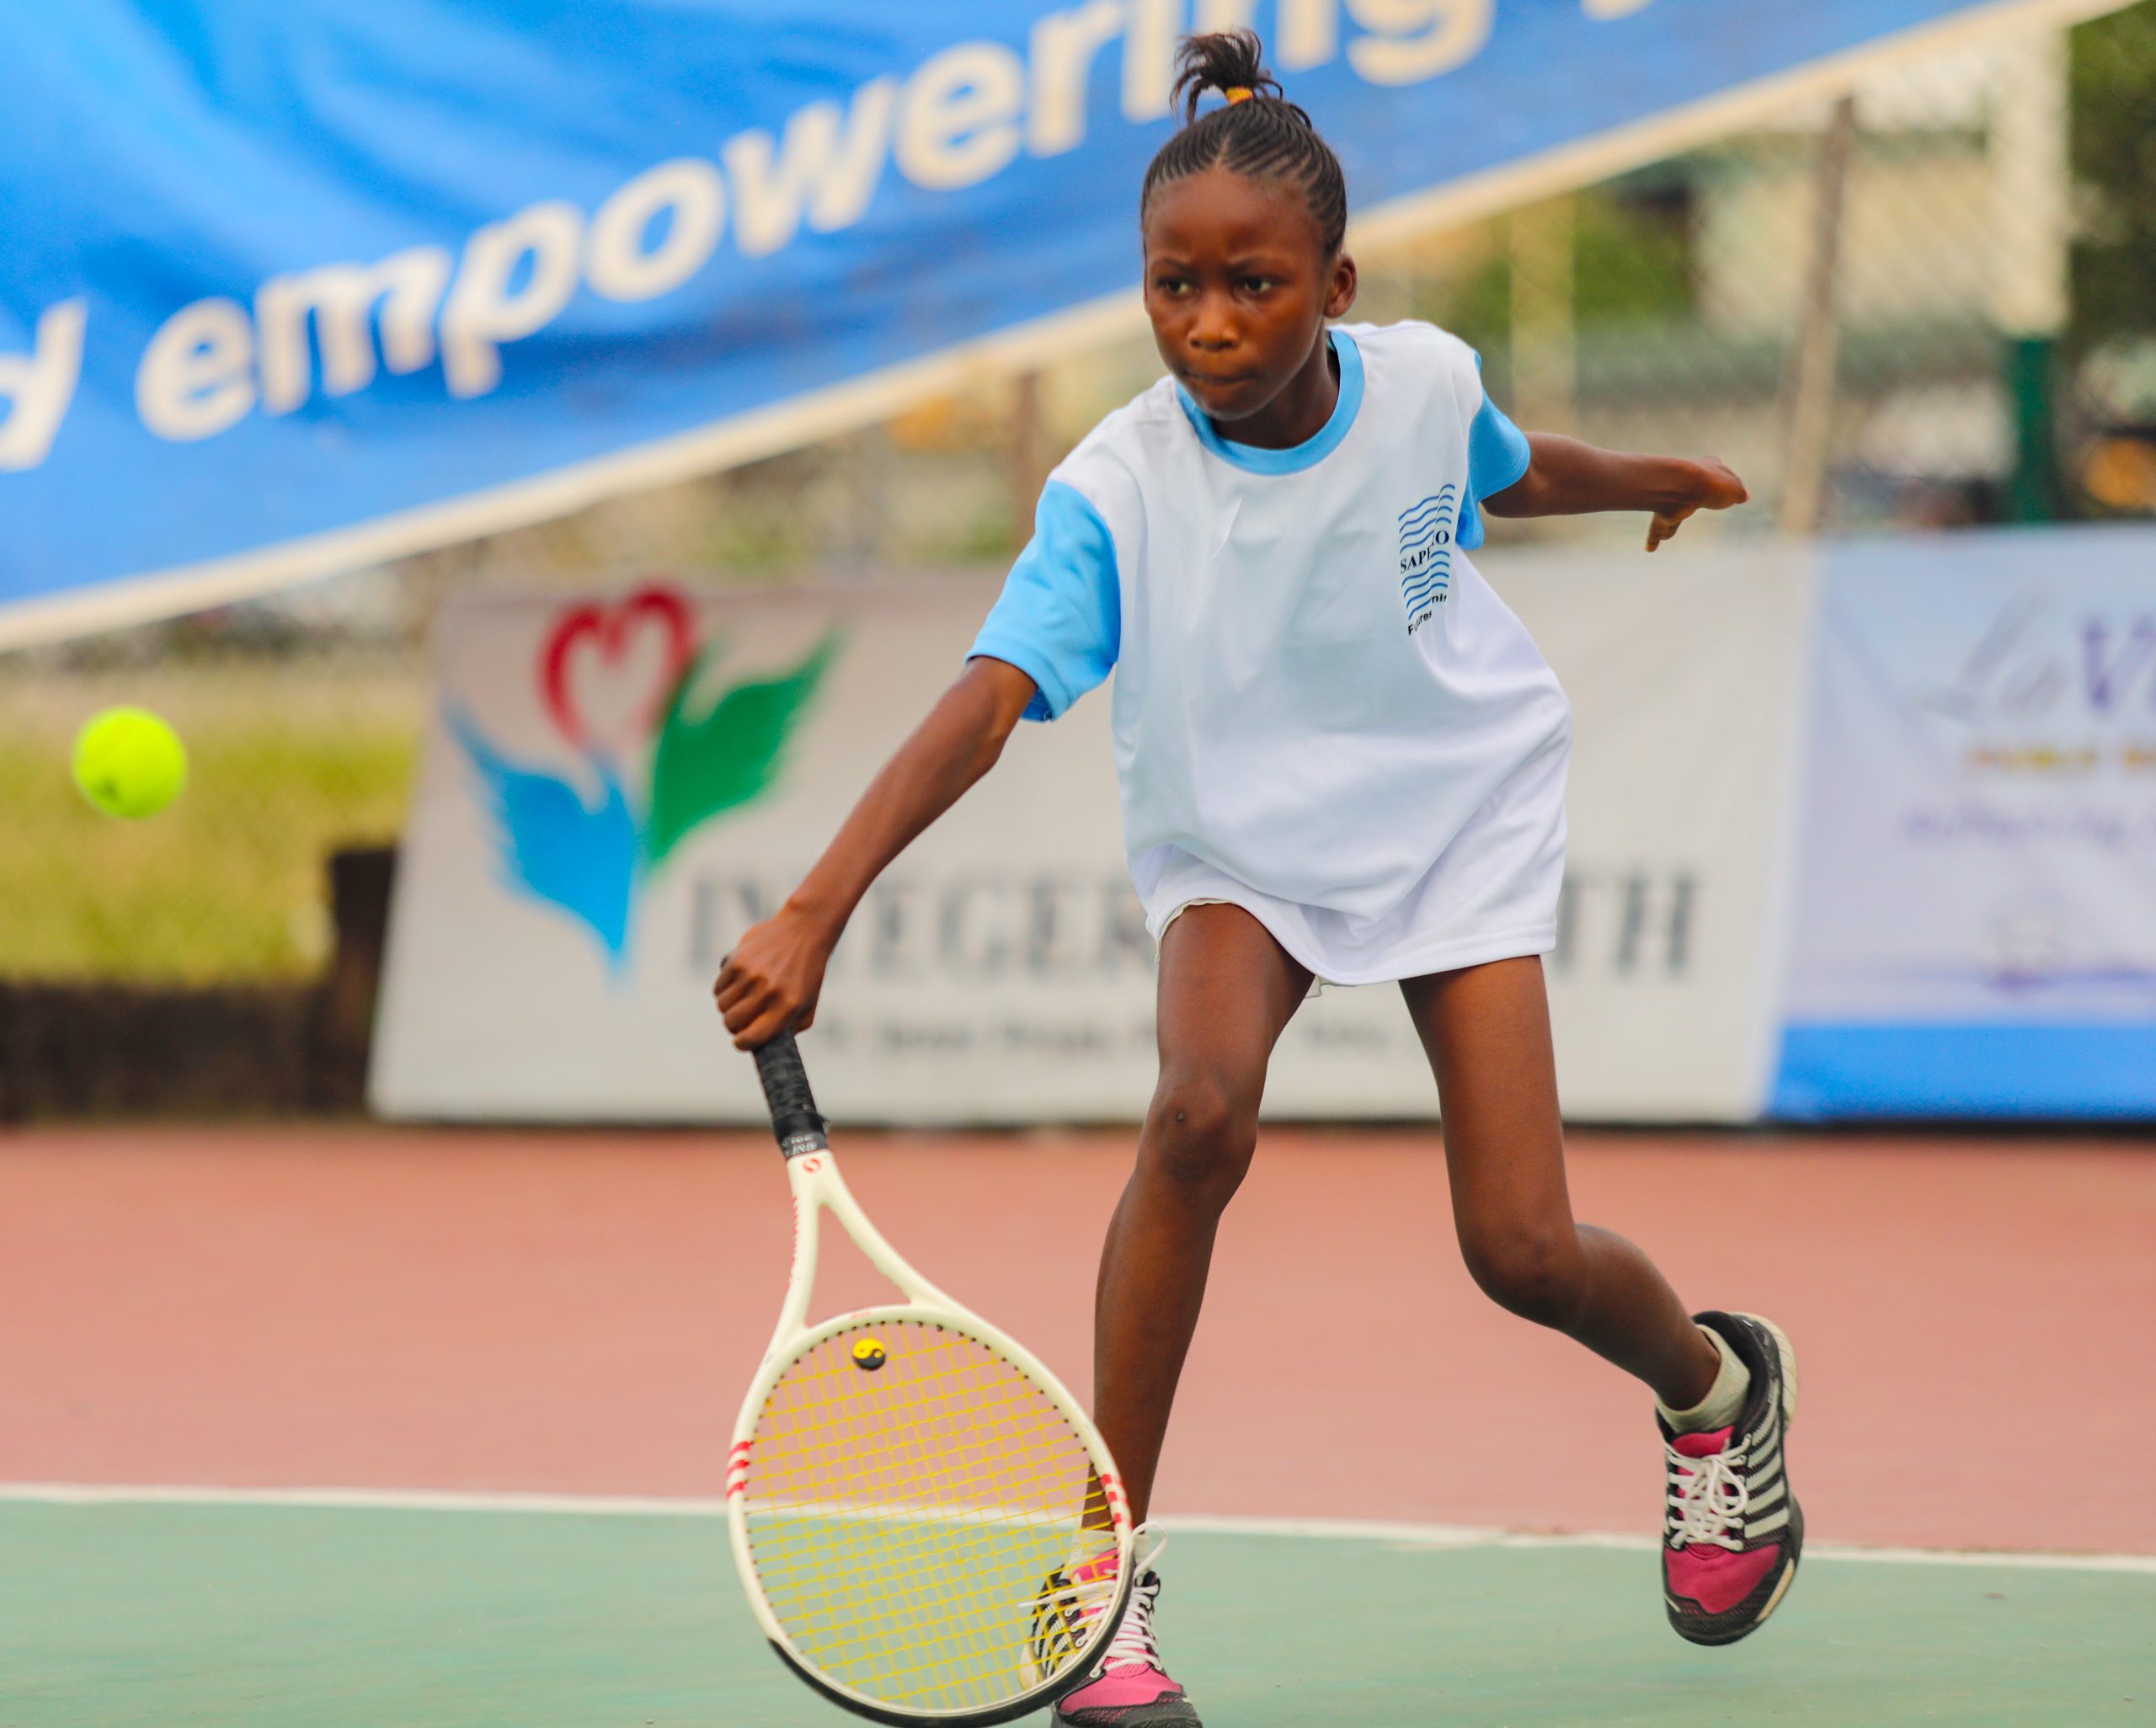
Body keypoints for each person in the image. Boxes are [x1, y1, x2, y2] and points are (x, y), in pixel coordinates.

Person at [715, 29, 1798, 1726]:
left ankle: (1711, 1388)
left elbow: (1504, 474)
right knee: (1195, 1112)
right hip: (1236, 839)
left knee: (1516, 1249)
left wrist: (1649, 479)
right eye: (1170, 289)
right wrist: (814, 904)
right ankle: (1097, 1582)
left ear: (1334, 286)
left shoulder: (1424, 382)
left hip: (1453, 810)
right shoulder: (1115, 490)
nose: (1207, 325)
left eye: (1250, 286)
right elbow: (984, 703)